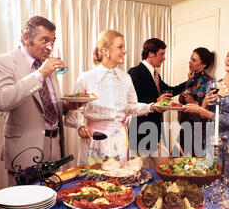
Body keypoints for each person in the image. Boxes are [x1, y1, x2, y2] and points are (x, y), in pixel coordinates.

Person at [0, 16, 80, 186]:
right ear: (26, 38)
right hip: (24, 150)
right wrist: (40, 74)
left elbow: (46, 105)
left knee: (51, 203)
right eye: (45, 40)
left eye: (53, 41)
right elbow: (1, 100)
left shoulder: (47, 65)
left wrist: (67, 106)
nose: (50, 46)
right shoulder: (4, 61)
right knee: (23, 206)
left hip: (54, 147)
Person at [64, 30, 160, 165]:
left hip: (119, 139)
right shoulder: (86, 78)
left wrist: (152, 106)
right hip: (95, 139)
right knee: (94, 180)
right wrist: (80, 126)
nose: (125, 51)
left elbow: (132, 106)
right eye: (120, 47)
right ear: (105, 51)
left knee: (118, 181)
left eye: (124, 47)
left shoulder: (125, 78)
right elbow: (75, 109)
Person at [184, 44, 229, 187]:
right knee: (210, 186)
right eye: (228, 55)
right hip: (210, 144)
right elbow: (202, 119)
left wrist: (203, 111)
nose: (228, 59)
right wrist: (202, 106)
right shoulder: (212, 85)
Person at [128, 38, 186, 168]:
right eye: (162, 54)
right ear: (150, 54)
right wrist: (156, 101)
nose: (164, 58)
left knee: (162, 168)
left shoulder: (155, 74)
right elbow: (132, 102)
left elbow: (169, 91)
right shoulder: (135, 72)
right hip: (140, 131)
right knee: (143, 172)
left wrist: (189, 81)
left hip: (155, 130)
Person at [178, 47, 214, 157]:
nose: (190, 62)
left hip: (198, 128)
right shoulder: (191, 78)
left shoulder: (209, 82)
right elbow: (183, 97)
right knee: (180, 158)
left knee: (193, 159)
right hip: (186, 125)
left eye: (194, 60)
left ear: (203, 65)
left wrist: (192, 101)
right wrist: (188, 82)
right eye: (190, 59)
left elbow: (207, 107)